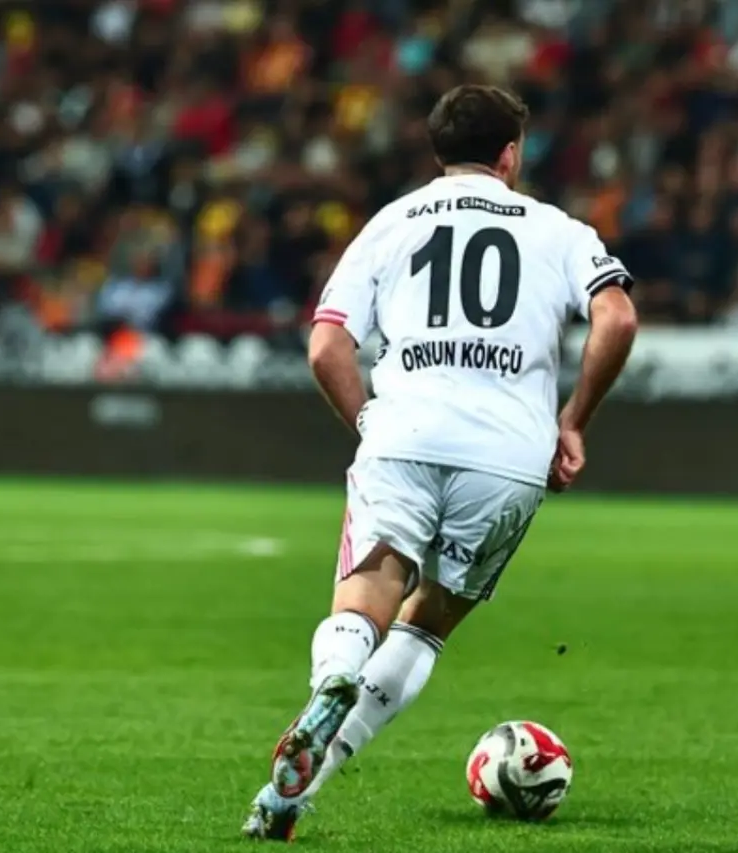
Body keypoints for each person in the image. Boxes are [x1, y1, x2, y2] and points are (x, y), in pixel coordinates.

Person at [242, 84, 639, 841]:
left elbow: (326, 347)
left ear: (436, 151)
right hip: (508, 455)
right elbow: (616, 316)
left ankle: (331, 685)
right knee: (423, 626)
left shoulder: (390, 223)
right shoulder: (557, 229)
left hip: (405, 434)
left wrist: (370, 421)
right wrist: (573, 420)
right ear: (510, 155)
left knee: (364, 601)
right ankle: (291, 795)